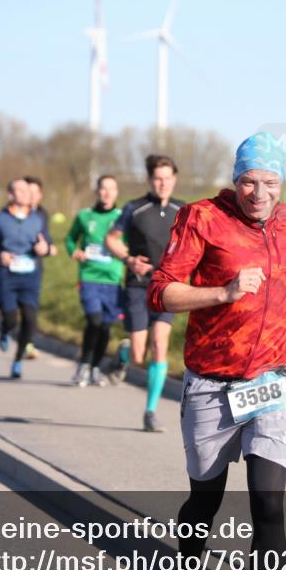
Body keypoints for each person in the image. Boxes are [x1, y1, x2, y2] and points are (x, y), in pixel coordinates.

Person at [148, 132, 286, 570]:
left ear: (283, 183)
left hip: (273, 378)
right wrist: (224, 292)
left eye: (270, 182)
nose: (260, 193)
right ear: (235, 180)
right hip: (212, 380)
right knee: (205, 500)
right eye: (250, 182)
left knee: (268, 502)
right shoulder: (201, 218)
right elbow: (161, 291)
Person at [104, 154, 186, 432]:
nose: (163, 184)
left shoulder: (184, 210)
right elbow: (111, 240)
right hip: (138, 285)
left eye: (168, 178)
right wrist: (128, 260)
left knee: (160, 344)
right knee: (140, 354)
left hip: (168, 286)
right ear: (149, 180)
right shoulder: (134, 209)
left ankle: (150, 412)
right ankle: (125, 353)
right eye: (158, 179)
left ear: (175, 179)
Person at [0, 178, 54, 378]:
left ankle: (18, 360)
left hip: (31, 276)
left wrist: (44, 248)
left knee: (30, 321)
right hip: (7, 276)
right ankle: (5, 329)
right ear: (10, 195)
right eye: (20, 191)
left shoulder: (38, 218)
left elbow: (47, 243)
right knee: (12, 318)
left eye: (27, 191)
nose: (26, 194)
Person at [65, 174, 124, 387]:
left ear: (117, 192)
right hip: (89, 276)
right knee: (94, 320)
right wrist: (75, 251)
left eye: (111, 189)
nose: (106, 193)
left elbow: (131, 245)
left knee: (106, 326)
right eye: (103, 188)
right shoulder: (84, 216)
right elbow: (70, 238)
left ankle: (96, 368)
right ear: (97, 191)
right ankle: (83, 366)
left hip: (113, 279)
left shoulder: (122, 217)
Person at [22, 175, 59, 360]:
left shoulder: (42, 214)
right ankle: (9, 329)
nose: (31, 195)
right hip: (12, 269)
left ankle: (28, 343)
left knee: (31, 307)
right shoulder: (10, 213)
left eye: (35, 192)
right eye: (27, 191)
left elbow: (45, 236)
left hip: (34, 267)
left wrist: (49, 247)